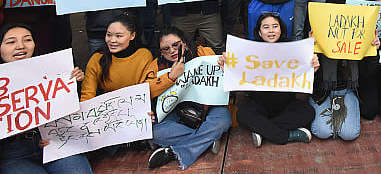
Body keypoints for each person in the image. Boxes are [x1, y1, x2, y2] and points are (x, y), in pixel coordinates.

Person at [0, 23, 92, 174]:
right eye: (11, 42)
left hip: (55, 144)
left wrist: (76, 83)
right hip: (14, 154)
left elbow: (75, 113)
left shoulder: (52, 71)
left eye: (27, 40)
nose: (20, 46)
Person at [218, 13, 319, 147]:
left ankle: (262, 130)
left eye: (275, 26)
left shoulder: (294, 49)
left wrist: (312, 67)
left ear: (281, 29)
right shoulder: (249, 51)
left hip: (286, 104)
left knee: (308, 113)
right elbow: (241, 77)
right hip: (259, 104)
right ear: (259, 32)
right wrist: (229, 69)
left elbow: (304, 74)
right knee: (242, 115)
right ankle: (287, 135)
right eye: (266, 27)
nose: (271, 30)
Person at [147, 26, 232, 169]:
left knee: (224, 119)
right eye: (166, 49)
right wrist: (170, 77)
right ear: (161, 52)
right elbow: (146, 91)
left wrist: (226, 69)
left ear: (184, 43)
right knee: (154, 132)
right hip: (176, 113)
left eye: (176, 45)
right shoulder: (156, 65)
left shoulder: (203, 52)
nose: (172, 51)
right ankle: (207, 139)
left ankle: (177, 152)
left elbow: (226, 82)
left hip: (209, 108)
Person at [80, 13, 174, 101]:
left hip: (138, 107)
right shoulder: (97, 58)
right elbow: (87, 96)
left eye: (119, 36)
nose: (112, 40)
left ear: (132, 35)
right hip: (107, 111)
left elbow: (147, 89)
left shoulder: (144, 55)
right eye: (108, 35)